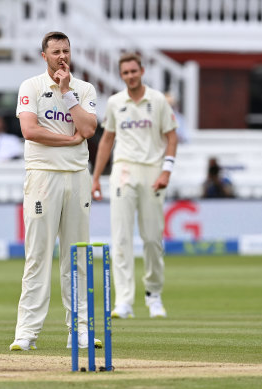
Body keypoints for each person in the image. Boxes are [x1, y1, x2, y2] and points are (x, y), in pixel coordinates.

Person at [9, 31, 99, 351]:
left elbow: (88, 129)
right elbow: (29, 131)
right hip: (42, 177)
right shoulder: (31, 86)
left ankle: (80, 329)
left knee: (77, 257)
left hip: (76, 177)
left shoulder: (84, 89)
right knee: (38, 256)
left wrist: (67, 93)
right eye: (56, 51)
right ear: (44, 56)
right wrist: (70, 140)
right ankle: (26, 332)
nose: (62, 56)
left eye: (66, 51)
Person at [91, 53, 178, 320]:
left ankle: (153, 295)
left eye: (133, 71)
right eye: (125, 73)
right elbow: (107, 140)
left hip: (153, 171)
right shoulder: (116, 102)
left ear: (141, 71)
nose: (130, 76)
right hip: (123, 171)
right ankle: (124, 300)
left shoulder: (158, 100)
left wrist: (167, 170)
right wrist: (95, 178)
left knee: (152, 239)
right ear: (122, 75)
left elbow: (171, 137)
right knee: (121, 238)